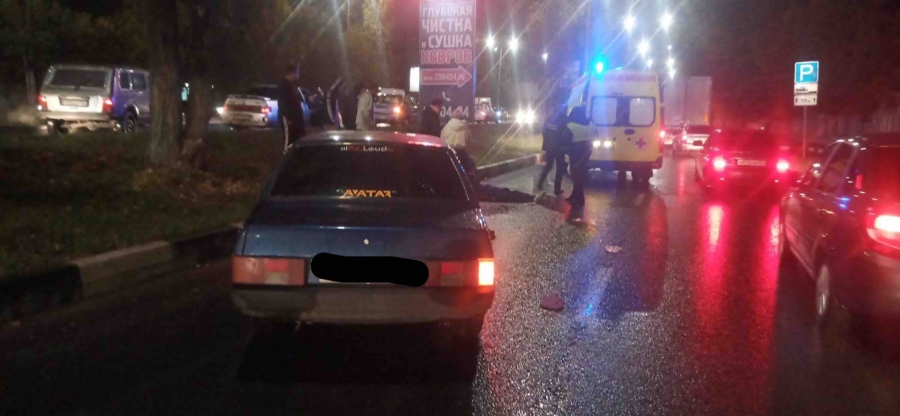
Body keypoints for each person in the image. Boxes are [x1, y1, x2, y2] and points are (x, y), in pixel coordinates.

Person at [534, 105, 571, 197]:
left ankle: (539, 183)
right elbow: (567, 134)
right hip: (559, 148)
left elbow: (543, 131)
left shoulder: (550, 119)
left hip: (549, 147)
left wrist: (547, 142)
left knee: (548, 166)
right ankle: (557, 189)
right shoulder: (565, 120)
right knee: (560, 168)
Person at [564, 105, 593, 219]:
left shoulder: (571, 125)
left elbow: (566, 140)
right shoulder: (590, 124)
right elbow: (595, 136)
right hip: (586, 152)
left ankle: (580, 200)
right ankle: (574, 196)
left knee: (576, 175)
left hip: (575, 152)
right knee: (579, 175)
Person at [441, 109, 477, 180]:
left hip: (449, 153)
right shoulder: (466, 128)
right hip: (462, 154)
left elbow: (442, 139)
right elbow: (469, 141)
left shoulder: (446, 128)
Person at [277, 64, 306, 151]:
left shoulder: (292, 85)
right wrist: (288, 117)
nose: (298, 74)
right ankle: (286, 155)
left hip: (295, 118)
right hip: (288, 117)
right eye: (297, 72)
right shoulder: (284, 85)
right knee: (288, 138)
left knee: (296, 137)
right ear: (293, 73)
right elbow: (283, 102)